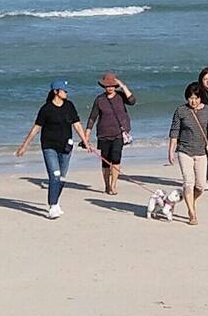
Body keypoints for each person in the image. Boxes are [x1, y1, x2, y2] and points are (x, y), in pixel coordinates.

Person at [15, 80, 94, 220]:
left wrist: (86, 142)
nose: (66, 92)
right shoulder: (46, 109)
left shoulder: (69, 106)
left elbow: (77, 124)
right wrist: (24, 146)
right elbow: (36, 128)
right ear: (56, 92)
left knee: (62, 178)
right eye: (64, 90)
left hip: (66, 147)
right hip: (49, 146)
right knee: (55, 175)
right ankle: (52, 206)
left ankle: (56, 202)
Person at [167, 82, 208, 226]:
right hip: (184, 150)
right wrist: (171, 150)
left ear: (201, 98)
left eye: (196, 98)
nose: (193, 101)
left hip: (202, 152)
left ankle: (189, 200)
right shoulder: (181, 111)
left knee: (200, 186)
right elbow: (174, 132)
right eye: (191, 98)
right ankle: (192, 213)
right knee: (188, 182)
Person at [86, 72, 136, 195]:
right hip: (103, 134)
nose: (110, 88)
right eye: (107, 85)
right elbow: (92, 117)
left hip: (118, 134)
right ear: (103, 86)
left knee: (116, 158)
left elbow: (132, 101)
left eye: (112, 85)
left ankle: (114, 185)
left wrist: (122, 86)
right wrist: (86, 135)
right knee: (105, 161)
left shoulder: (120, 96)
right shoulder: (99, 100)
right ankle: (107, 185)